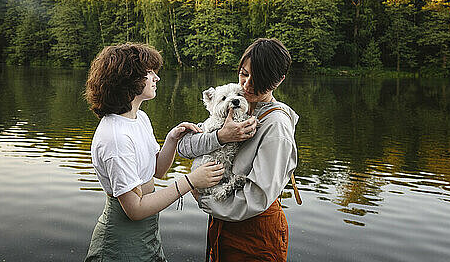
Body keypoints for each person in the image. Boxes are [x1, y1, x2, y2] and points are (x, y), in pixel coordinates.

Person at [84, 43, 224, 262]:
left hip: (148, 235)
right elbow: (135, 210)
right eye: (149, 73)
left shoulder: (140, 118)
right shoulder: (115, 138)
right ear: (128, 79)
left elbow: (157, 171)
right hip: (120, 243)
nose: (156, 78)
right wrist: (190, 181)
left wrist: (172, 140)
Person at [177, 38, 299, 261]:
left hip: (255, 233)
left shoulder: (276, 126)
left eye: (258, 78)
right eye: (244, 73)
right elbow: (184, 146)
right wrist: (220, 137)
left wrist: (204, 199)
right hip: (224, 222)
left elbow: (258, 196)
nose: (247, 85)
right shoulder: (232, 109)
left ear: (279, 80)